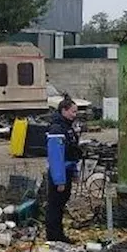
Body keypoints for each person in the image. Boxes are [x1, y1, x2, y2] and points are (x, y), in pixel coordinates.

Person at [45, 97, 82, 242]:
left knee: (60, 206)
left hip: (66, 171)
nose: (75, 115)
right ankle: (53, 237)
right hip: (59, 174)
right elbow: (56, 158)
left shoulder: (67, 128)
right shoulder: (57, 129)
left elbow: (71, 152)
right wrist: (59, 180)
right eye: (72, 112)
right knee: (54, 207)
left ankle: (59, 235)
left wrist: (74, 172)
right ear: (64, 111)